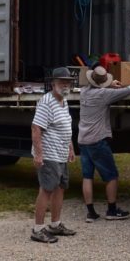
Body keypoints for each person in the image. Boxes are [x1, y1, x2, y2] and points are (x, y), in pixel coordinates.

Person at [78, 65, 130, 221]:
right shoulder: (103, 94)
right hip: (97, 140)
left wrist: (110, 84)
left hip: (83, 139)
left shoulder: (84, 91)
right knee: (111, 175)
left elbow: (102, 89)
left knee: (87, 176)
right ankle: (112, 210)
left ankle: (91, 213)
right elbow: (124, 92)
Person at [29, 67, 78, 243]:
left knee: (60, 188)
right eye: (62, 82)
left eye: (68, 82)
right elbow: (36, 128)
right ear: (53, 83)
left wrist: (70, 148)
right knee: (47, 189)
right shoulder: (47, 102)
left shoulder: (64, 101)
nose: (66, 84)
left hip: (61, 153)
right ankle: (38, 229)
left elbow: (65, 127)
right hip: (49, 154)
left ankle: (55, 224)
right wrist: (39, 155)